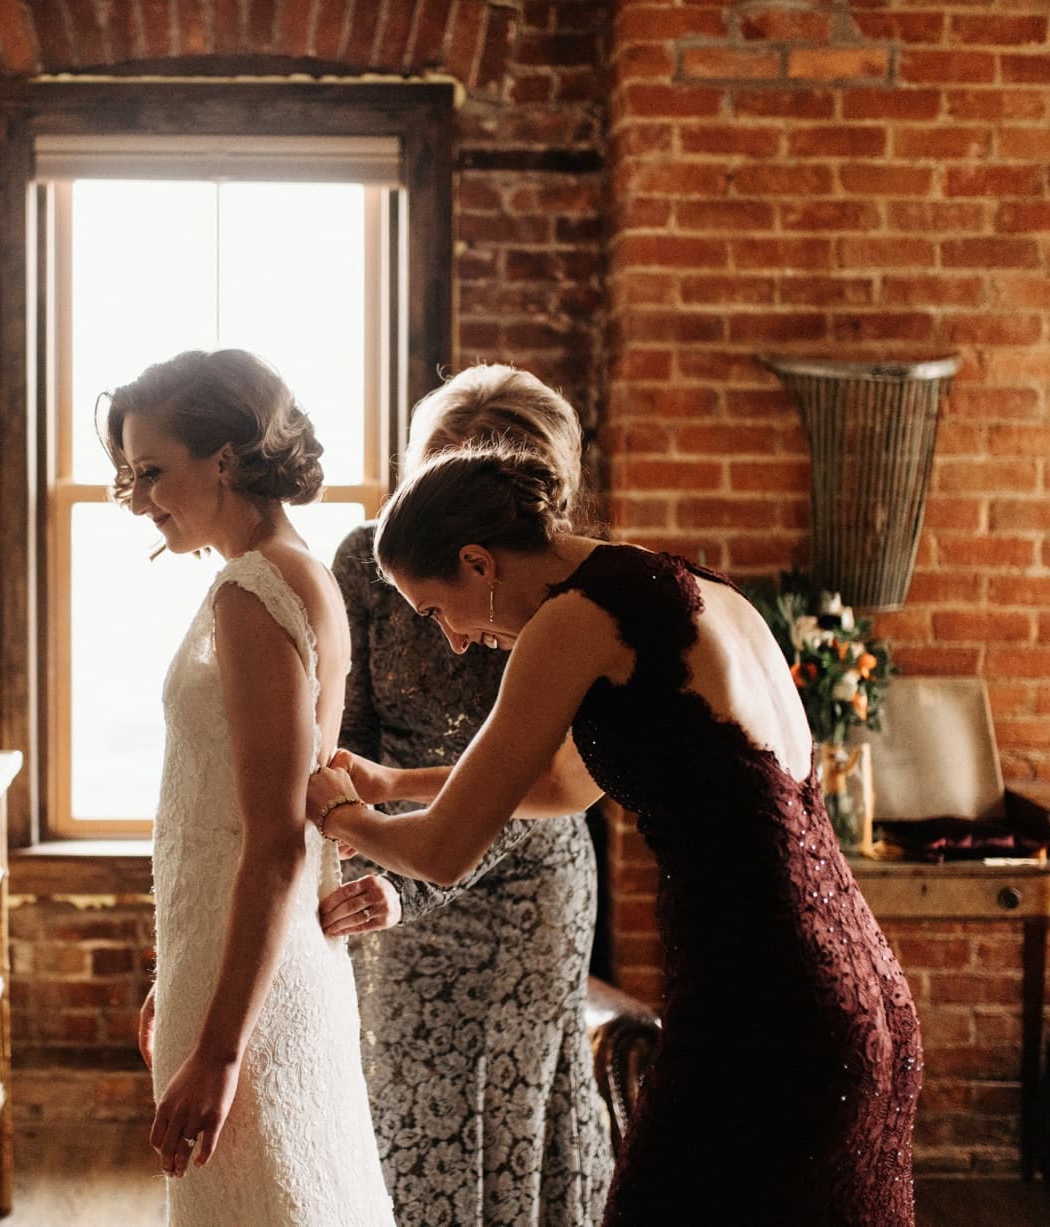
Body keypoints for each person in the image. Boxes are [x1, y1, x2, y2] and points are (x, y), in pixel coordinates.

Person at [306, 447, 921, 1226]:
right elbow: (562, 786)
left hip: (762, 1002)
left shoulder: (570, 622)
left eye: (434, 611)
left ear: (476, 561)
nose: (454, 642)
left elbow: (441, 852)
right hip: (859, 990)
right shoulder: (683, 587)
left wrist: (337, 813)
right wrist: (394, 785)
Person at [102, 348, 394, 1226]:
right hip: (254, 950)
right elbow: (292, 800)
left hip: (254, 990)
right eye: (130, 474)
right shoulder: (302, 571)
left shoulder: (252, 590)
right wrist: (187, 968)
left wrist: (221, 1050)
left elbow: (273, 837)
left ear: (223, 458)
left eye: (153, 471)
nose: (142, 499)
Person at [316, 365, 613, 1226]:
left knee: (509, 1120)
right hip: (390, 855)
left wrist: (401, 870)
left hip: (526, 888)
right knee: (402, 1113)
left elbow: (539, 779)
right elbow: (354, 732)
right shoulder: (367, 565)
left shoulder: (561, 598)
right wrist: (358, 833)